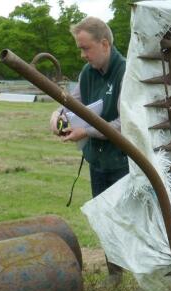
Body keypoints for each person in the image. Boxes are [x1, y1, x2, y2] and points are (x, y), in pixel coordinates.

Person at [51, 17, 129, 199]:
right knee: (103, 222)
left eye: (86, 48)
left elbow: (124, 124)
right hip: (98, 163)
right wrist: (57, 117)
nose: (82, 55)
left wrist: (86, 132)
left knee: (124, 224)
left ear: (104, 44)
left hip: (123, 165)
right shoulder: (87, 72)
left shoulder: (126, 72)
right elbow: (71, 103)